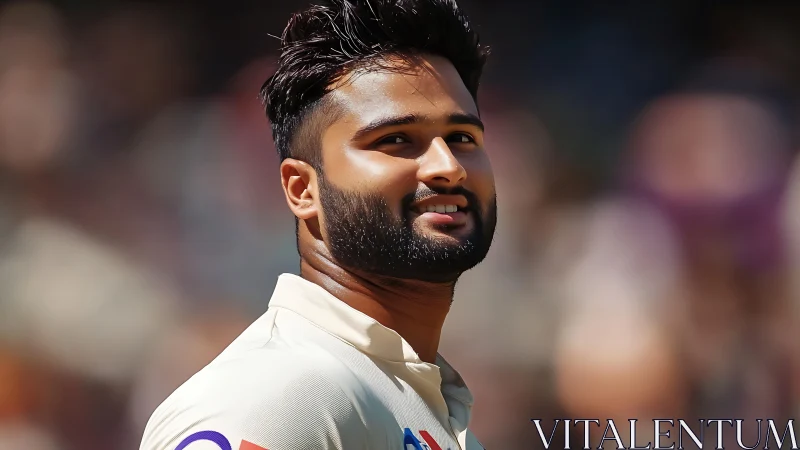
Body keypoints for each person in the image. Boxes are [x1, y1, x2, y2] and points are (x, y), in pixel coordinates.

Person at [139, 0, 496, 448]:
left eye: (462, 138)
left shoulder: (418, 401)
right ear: (302, 189)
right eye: (396, 139)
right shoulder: (273, 398)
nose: (448, 167)